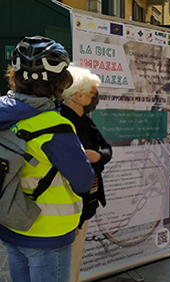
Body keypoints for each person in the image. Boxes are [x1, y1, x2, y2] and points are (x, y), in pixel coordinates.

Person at [0, 36, 95, 282]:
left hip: (10, 222)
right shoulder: (55, 127)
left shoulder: (3, 112)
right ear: (59, 82)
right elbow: (83, 181)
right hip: (47, 231)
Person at [60, 66, 112, 282]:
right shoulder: (61, 120)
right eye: (92, 93)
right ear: (78, 94)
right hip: (69, 202)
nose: (95, 97)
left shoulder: (86, 120)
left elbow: (107, 150)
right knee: (67, 259)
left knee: (76, 256)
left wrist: (97, 157)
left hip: (87, 199)